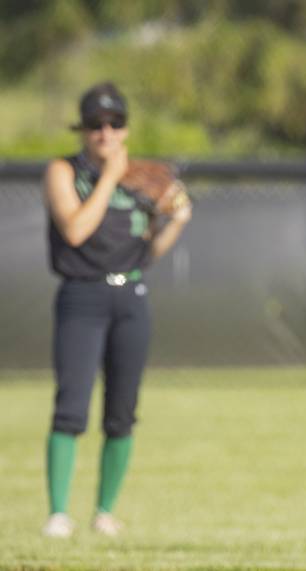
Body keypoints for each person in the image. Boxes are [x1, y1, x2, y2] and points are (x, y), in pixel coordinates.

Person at [41, 82, 192, 538]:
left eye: (115, 124)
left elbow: (146, 253)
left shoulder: (142, 179)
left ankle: (105, 511)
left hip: (130, 296)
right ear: (83, 130)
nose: (105, 133)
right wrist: (110, 175)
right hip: (82, 296)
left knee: (122, 410)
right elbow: (74, 230)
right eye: (96, 125)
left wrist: (177, 220)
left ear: (125, 129)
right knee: (71, 406)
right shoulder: (65, 172)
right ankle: (58, 513)